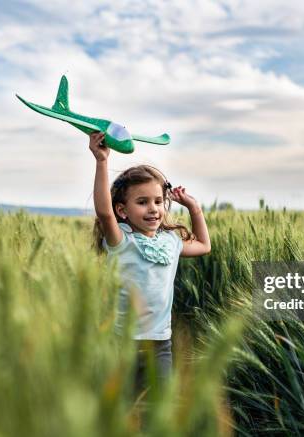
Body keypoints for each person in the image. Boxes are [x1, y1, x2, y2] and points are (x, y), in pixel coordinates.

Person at [89, 131, 211, 398]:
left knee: (160, 407)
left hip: (160, 343)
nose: (153, 208)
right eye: (142, 202)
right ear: (123, 210)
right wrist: (101, 161)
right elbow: (103, 212)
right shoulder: (123, 240)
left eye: (158, 201)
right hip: (123, 342)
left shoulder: (170, 241)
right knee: (121, 407)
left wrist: (194, 208)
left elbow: (204, 245)